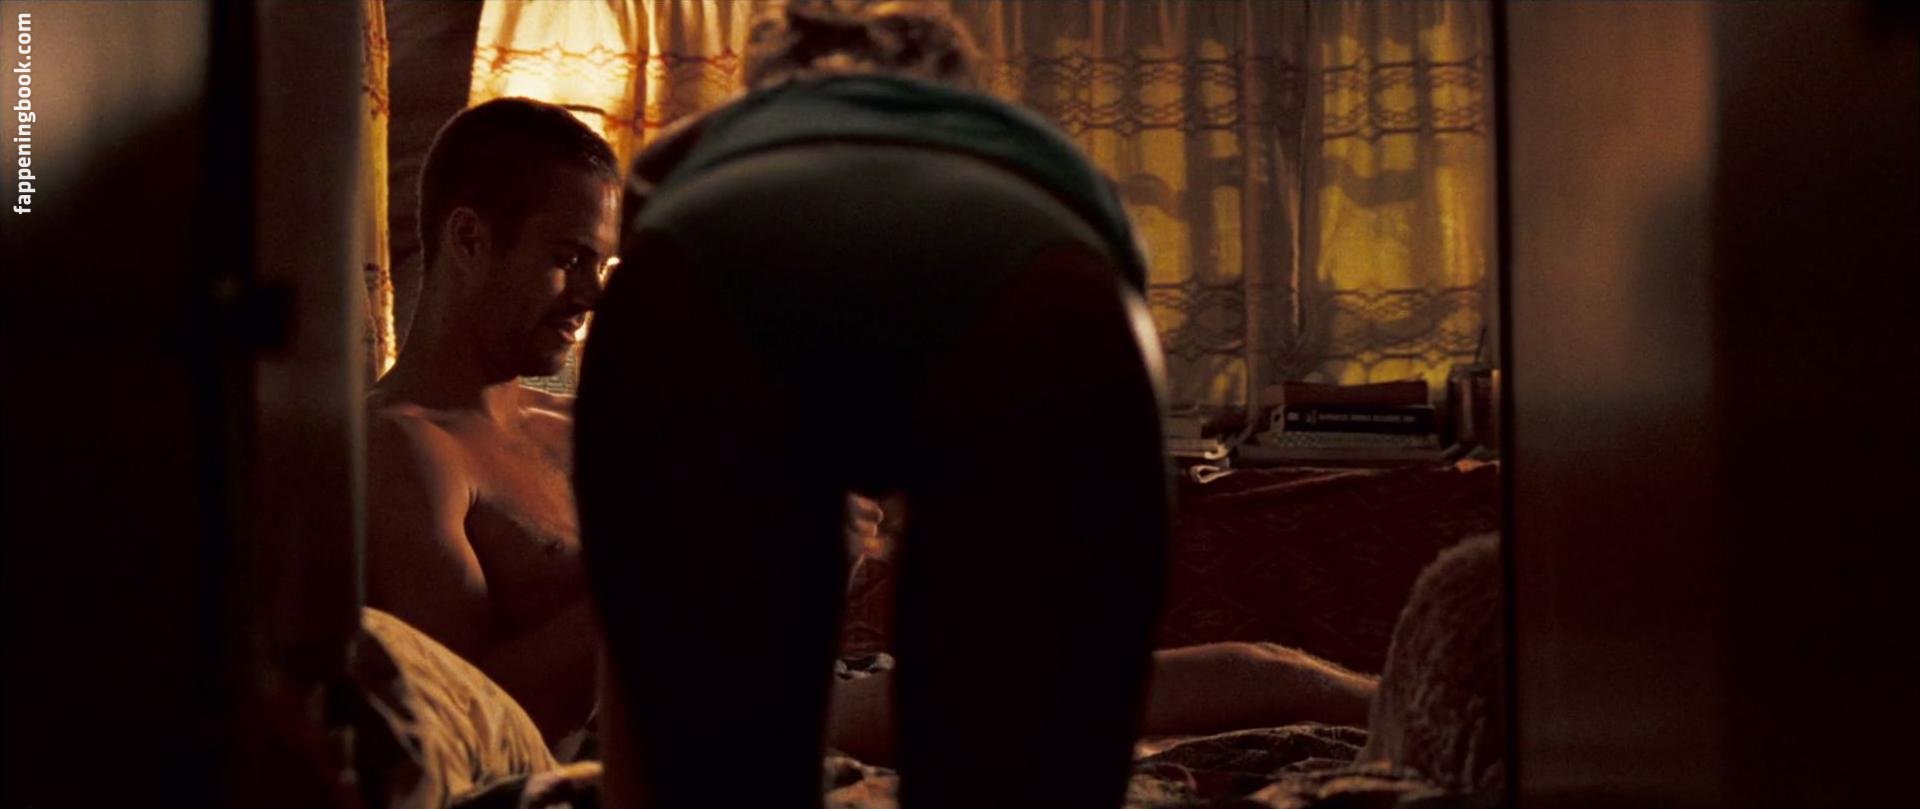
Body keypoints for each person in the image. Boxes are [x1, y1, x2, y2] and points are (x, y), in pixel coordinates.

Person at [364, 96, 621, 744]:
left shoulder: (585, 427)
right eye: (569, 258)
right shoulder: (404, 447)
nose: (591, 294)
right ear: (469, 240)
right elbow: (465, 724)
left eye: (600, 265)